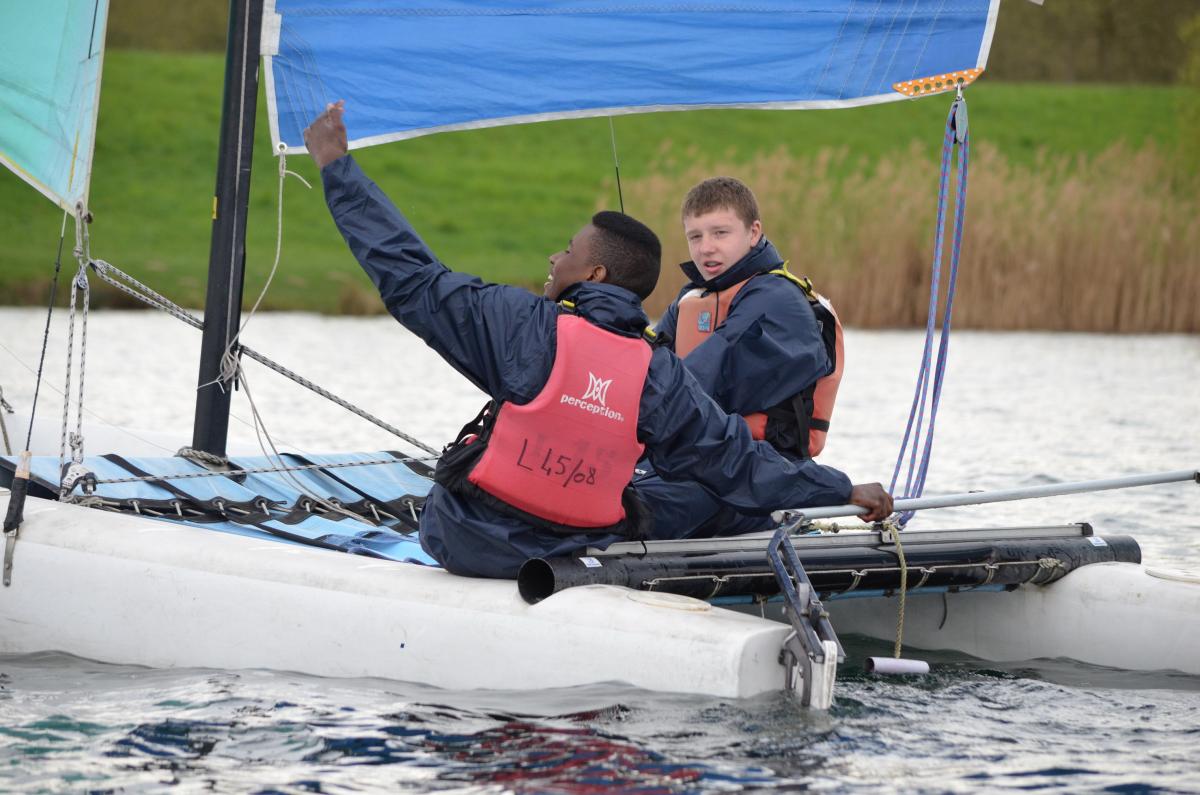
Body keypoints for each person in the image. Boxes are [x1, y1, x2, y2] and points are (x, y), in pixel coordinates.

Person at [305, 102, 891, 579]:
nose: (554, 258)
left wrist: (336, 166)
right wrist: (842, 489)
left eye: (567, 251)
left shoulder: (519, 324)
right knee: (686, 490)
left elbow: (411, 275)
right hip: (575, 548)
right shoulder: (658, 372)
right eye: (697, 236)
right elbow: (735, 462)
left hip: (463, 540)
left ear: (594, 273)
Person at [634, 176, 843, 539]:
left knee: (627, 507)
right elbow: (644, 364)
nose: (706, 248)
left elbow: (698, 383)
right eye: (695, 237)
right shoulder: (691, 298)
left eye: (720, 233)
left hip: (757, 473)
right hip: (698, 460)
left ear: (753, 232)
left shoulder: (778, 302)